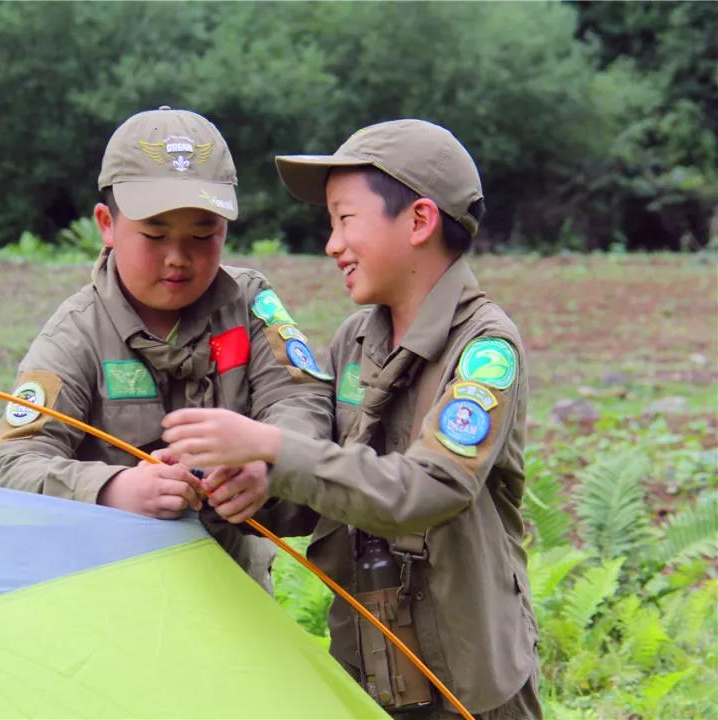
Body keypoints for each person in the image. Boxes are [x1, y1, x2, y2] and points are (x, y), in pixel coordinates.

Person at [162, 119, 541, 718]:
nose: (332, 245)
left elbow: (431, 489)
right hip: (372, 669)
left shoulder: (485, 348)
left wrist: (272, 447)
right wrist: (243, 484)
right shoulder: (355, 340)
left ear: (419, 221)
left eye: (345, 220)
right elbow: (324, 492)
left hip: (471, 686)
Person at [0, 106, 335, 590]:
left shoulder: (251, 305)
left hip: (232, 594)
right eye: (154, 234)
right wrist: (113, 490)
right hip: (113, 593)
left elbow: (302, 399)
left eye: (203, 234)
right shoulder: (77, 332)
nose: (178, 258)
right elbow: (11, 465)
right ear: (107, 224)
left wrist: (264, 462)